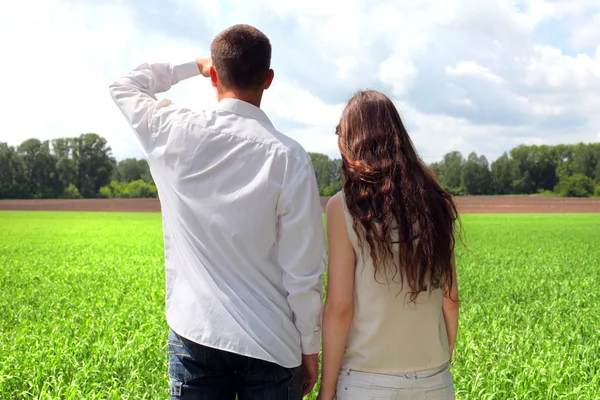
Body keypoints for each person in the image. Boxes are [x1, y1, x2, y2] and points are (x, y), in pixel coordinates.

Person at [109, 24, 326, 399]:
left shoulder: (173, 131)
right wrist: (310, 347)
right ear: (268, 79)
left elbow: (124, 86)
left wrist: (193, 64)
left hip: (196, 334)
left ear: (214, 75)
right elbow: (303, 270)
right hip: (272, 343)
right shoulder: (290, 158)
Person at [317, 90, 460, 400]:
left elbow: (340, 308)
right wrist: (440, 359)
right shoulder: (436, 204)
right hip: (434, 379)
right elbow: (450, 297)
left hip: (366, 382)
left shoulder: (343, 209)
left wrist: (326, 390)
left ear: (352, 142)